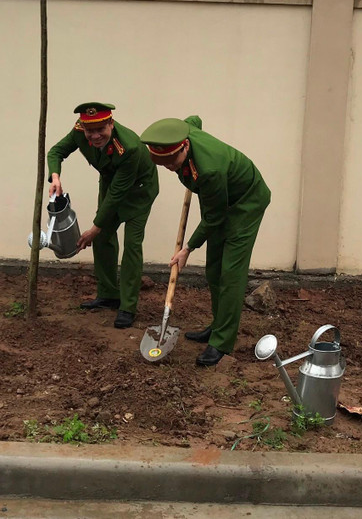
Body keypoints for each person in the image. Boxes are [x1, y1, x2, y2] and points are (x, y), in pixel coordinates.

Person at [140, 115, 270, 367]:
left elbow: (214, 217)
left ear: (185, 146)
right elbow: (194, 119)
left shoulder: (209, 171)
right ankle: (218, 325)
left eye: (171, 162)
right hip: (220, 200)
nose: (169, 167)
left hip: (245, 203)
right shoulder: (184, 133)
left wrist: (188, 248)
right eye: (162, 163)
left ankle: (222, 342)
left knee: (230, 273)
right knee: (214, 270)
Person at [47, 103, 159, 329]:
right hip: (110, 183)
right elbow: (56, 151)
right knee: (103, 239)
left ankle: (127, 306)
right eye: (91, 131)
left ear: (111, 123)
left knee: (132, 245)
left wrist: (95, 228)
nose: (95, 136)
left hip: (138, 190)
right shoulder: (80, 131)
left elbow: (118, 194)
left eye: (101, 130)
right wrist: (55, 177)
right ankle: (109, 294)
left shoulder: (129, 148)